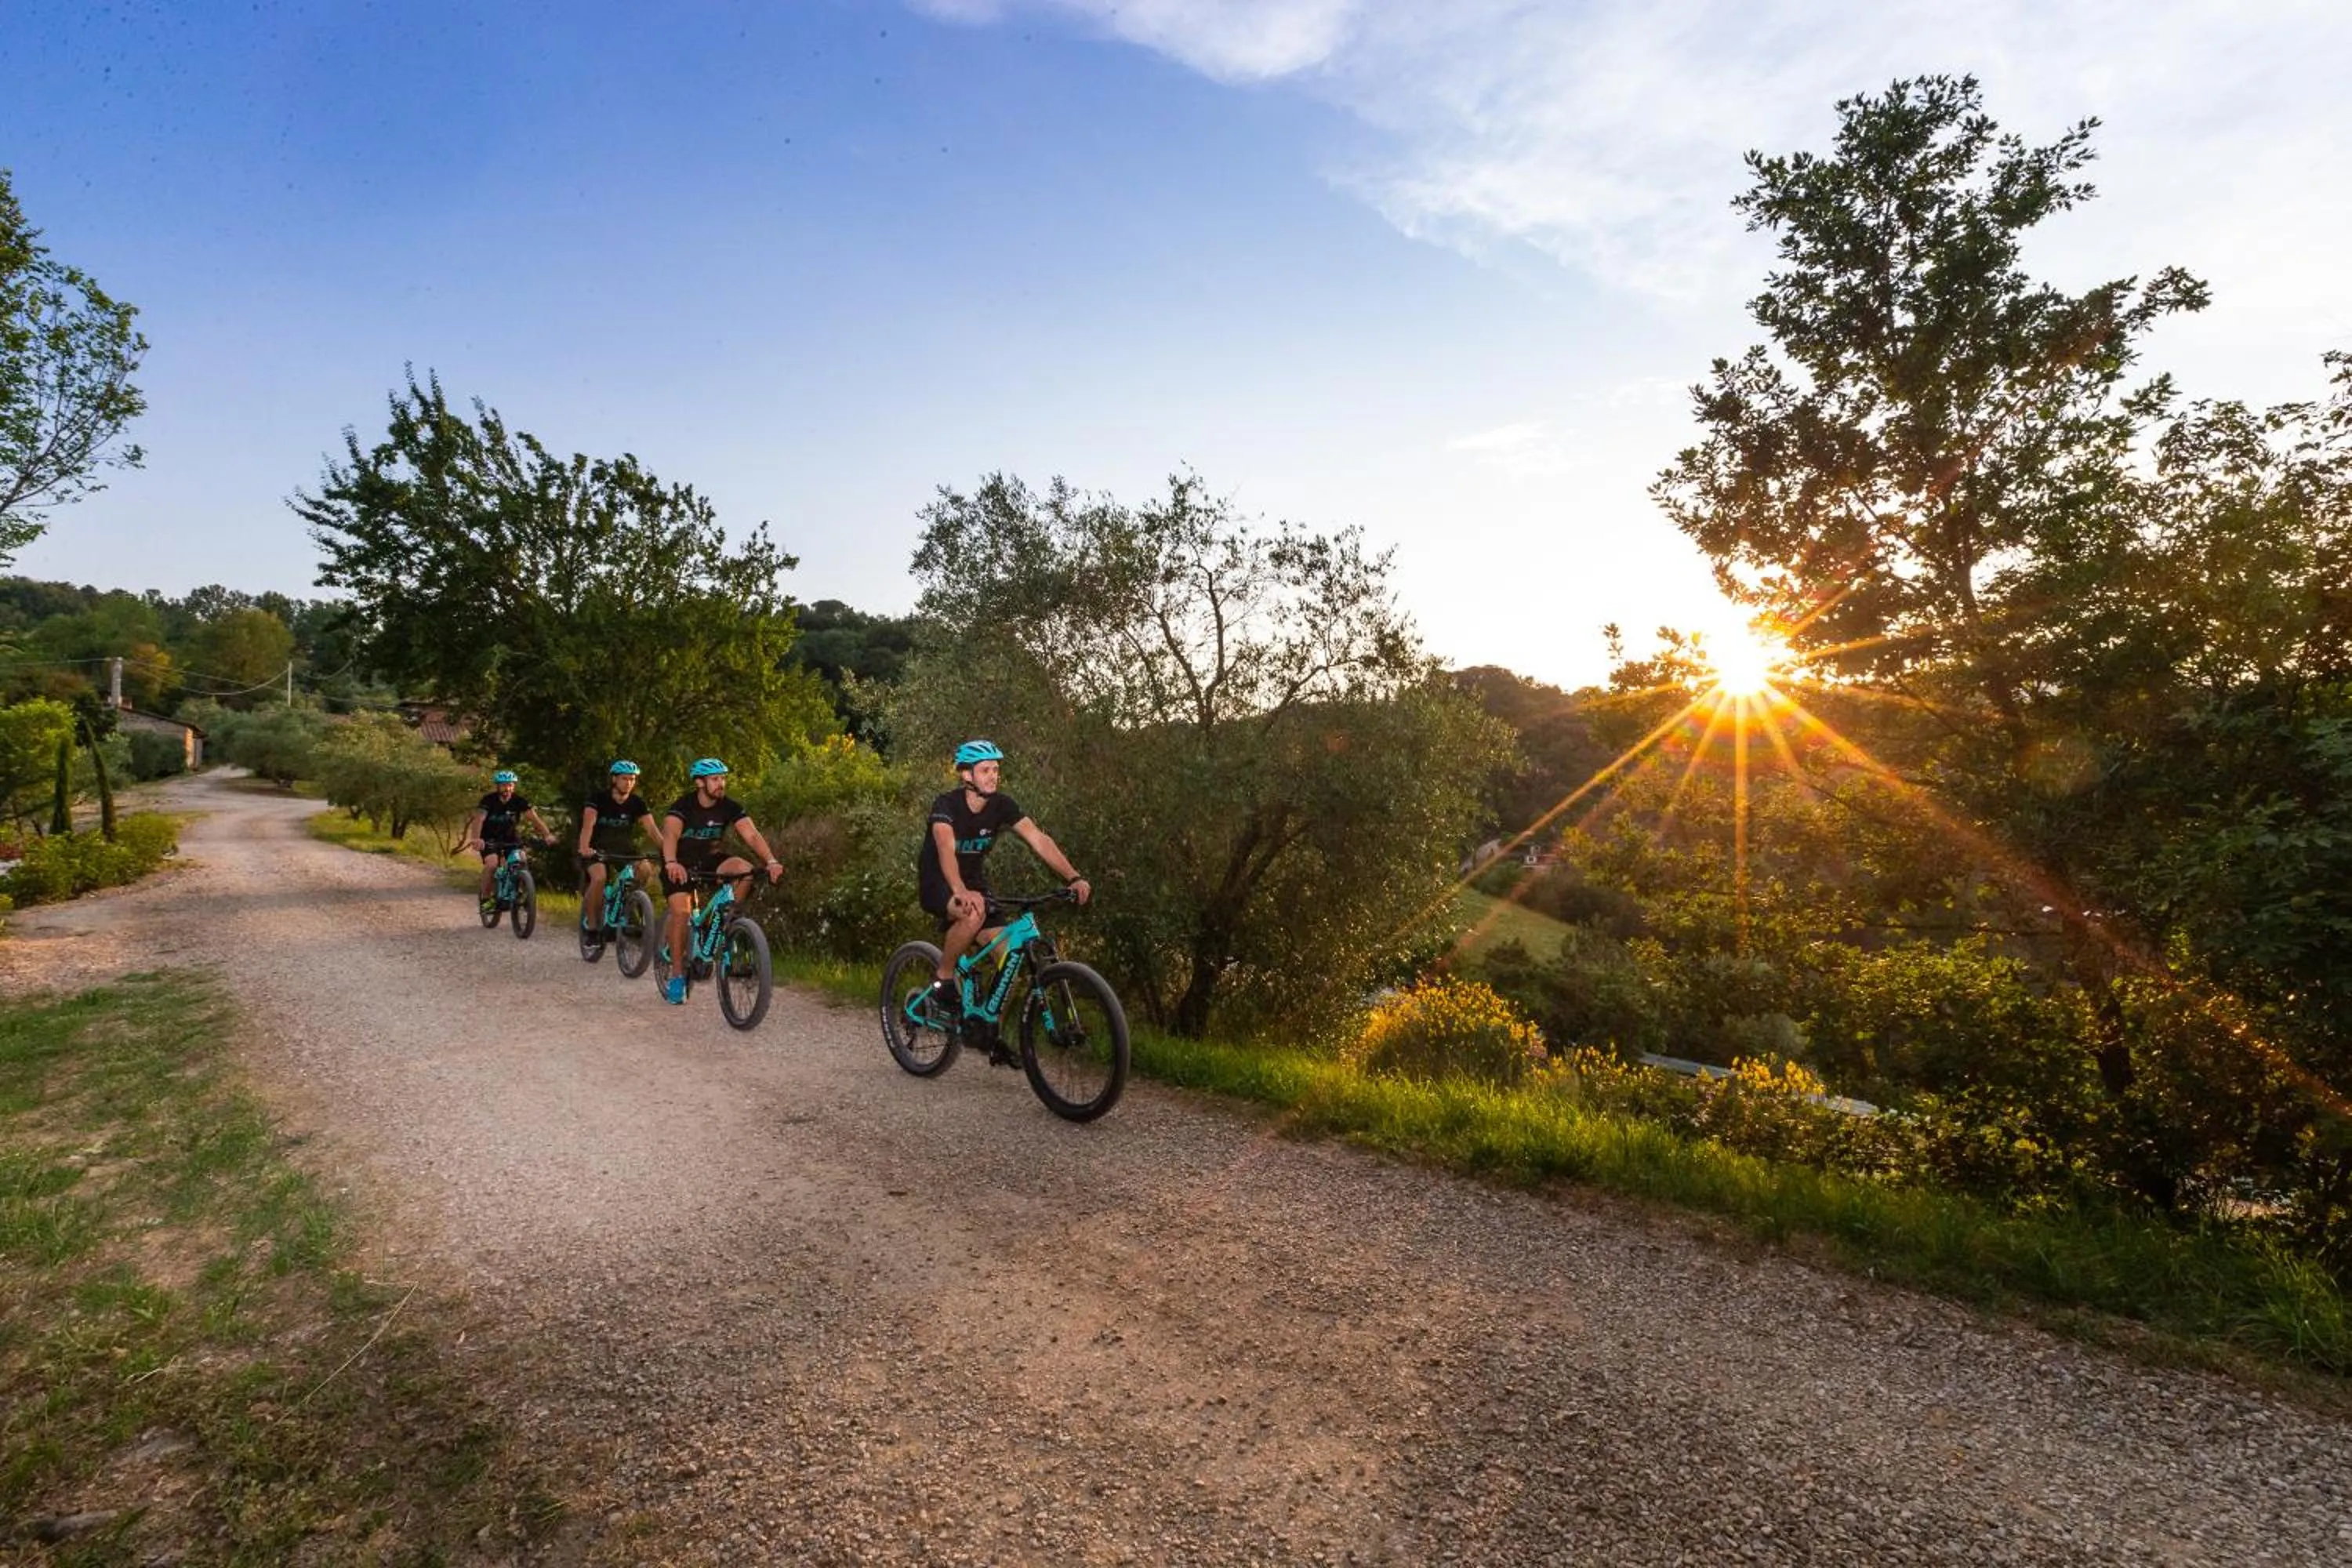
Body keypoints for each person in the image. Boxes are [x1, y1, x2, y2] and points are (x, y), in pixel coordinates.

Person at [917, 740, 1089, 1024]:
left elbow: (1038, 840)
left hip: (974, 884)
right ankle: (943, 979)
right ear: (967, 775)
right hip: (939, 881)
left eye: (996, 769)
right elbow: (946, 848)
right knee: (972, 913)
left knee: (1010, 959)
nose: (993, 775)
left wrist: (1073, 876)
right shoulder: (946, 805)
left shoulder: (1001, 805)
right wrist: (960, 891)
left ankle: (989, 1027)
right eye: (985, 770)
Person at [658, 757, 784, 1004]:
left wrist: (771, 861)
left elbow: (751, 834)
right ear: (700, 783)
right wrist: (671, 863)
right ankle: (676, 976)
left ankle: (725, 922)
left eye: (723, 778)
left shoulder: (729, 806)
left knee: (745, 870)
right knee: (682, 915)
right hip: (679, 864)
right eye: (715, 779)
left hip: (711, 861)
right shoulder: (683, 806)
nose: (721, 784)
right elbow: (670, 835)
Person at [576, 759, 661, 955]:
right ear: (614, 779)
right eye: (625, 779)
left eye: (632, 779)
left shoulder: (637, 803)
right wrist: (584, 847)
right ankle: (592, 927)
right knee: (599, 879)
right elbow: (588, 825)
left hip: (625, 849)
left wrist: (670, 852)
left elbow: (653, 831)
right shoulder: (598, 799)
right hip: (596, 848)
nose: (629, 783)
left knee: (645, 869)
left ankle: (629, 905)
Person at [459, 769, 556, 913]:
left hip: (511, 838)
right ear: (497, 786)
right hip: (489, 839)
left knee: (521, 859)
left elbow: (535, 819)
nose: (507, 788)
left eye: (510, 785)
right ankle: (486, 900)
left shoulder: (519, 801)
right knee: (492, 865)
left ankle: (523, 892)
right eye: (504, 785)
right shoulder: (488, 800)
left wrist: (547, 835)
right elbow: (479, 819)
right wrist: (476, 838)